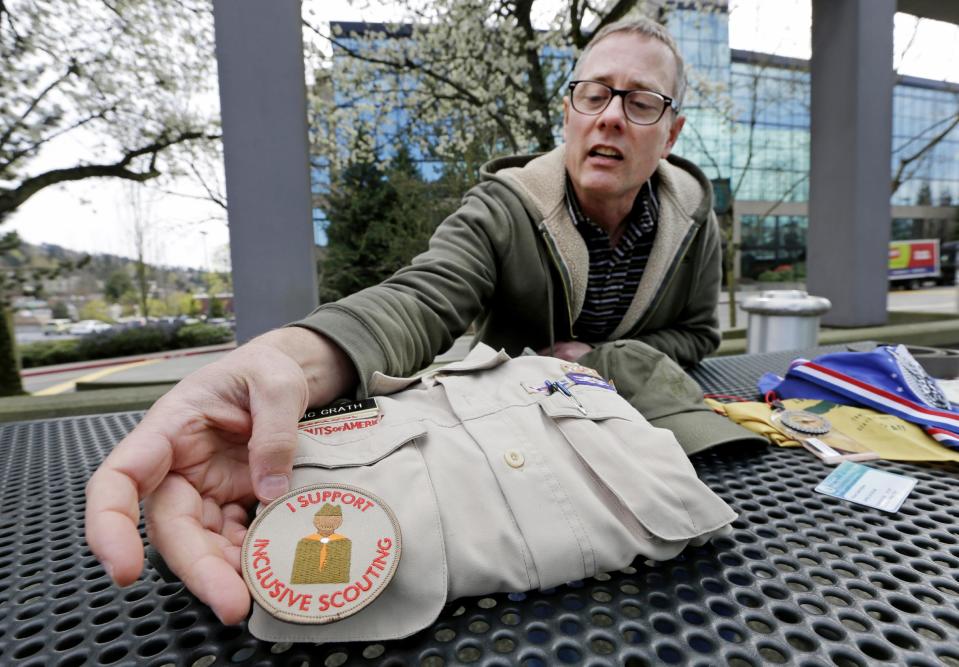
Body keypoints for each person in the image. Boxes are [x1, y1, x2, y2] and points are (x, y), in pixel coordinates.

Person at [85, 18, 725, 624]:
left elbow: (699, 336)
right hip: (519, 459)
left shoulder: (696, 221)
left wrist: (598, 363)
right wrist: (288, 362)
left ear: (671, 134)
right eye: (593, 94)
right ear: (568, 112)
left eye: (641, 102)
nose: (611, 114)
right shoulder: (504, 210)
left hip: (647, 449)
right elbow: (424, 298)